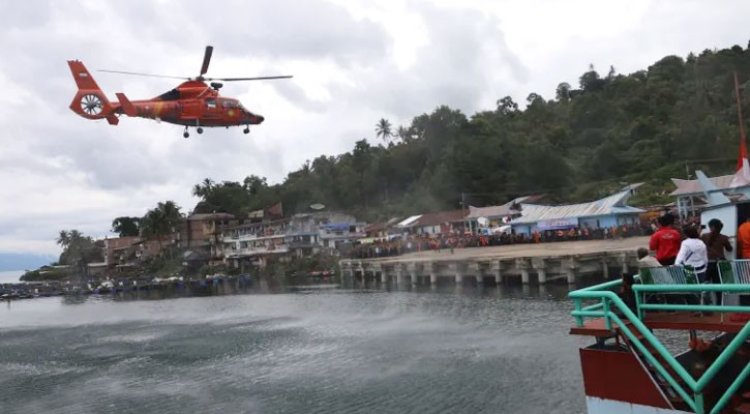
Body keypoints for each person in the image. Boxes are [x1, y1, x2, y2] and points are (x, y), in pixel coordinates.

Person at [676, 225, 710, 307]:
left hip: (689, 268)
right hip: (701, 268)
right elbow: (705, 257)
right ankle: (707, 307)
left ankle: (696, 308)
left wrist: (677, 265)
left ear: (686, 234)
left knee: (691, 289)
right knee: (703, 288)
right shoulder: (701, 243)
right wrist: (705, 266)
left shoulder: (685, 243)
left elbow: (681, 257)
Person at [701, 219, 732, 304]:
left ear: (711, 227)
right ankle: (719, 304)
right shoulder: (723, 237)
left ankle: (706, 304)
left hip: (707, 264)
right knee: (718, 285)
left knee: (705, 285)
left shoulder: (704, 236)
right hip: (718, 264)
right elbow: (729, 249)